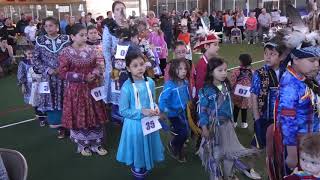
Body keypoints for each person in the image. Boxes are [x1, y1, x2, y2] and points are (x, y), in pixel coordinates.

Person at [198, 57, 256, 180]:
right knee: (216, 154)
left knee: (228, 152)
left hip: (227, 125)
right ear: (210, 72)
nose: (224, 73)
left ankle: (229, 174)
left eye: (225, 70)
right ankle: (217, 175)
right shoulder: (205, 91)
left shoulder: (226, 85)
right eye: (220, 70)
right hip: (214, 128)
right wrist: (204, 128)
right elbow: (202, 111)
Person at [58, 24, 108, 156]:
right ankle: (83, 144)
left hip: (93, 88)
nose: (85, 37)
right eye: (81, 35)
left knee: (95, 115)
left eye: (86, 35)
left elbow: (99, 65)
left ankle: (97, 143)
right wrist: (82, 77)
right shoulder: (66, 52)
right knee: (81, 116)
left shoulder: (93, 49)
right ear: (72, 37)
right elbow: (63, 73)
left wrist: (95, 73)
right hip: (76, 91)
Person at [116, 46, 164, 180]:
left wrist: (155, 107)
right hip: (135, 125)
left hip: (149, 123)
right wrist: (142, 112)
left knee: (147, 146)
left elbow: (152, 100)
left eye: (142, 64)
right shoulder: (126, 88)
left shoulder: (151, 82)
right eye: (135, 65)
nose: (140, 68)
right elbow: (123, 111)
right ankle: (138, 168)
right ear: (128, 68)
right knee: (138, 148)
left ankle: (144, 165)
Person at [32, 17, 70, 138]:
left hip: (65, 76)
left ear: (57, 27)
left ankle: (71, 125)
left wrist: (62, 68)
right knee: (53, 101)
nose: (48, 28)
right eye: (46, 26)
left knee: (68, 100)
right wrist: (48, 70)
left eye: (51, 25)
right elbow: (35, 59)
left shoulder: (66, 39)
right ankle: (60, 127)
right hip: (48, 79)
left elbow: (71, 54)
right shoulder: (40, 40)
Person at [250, 39, 287, 149]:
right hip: (264, 116)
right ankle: (254, 163)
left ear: (281, 57)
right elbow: (254, 95)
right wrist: (257, 118)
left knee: (278, 144)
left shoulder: (287, 73)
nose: (267, 57)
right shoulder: (259, 73)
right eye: (265, 53)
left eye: (272, 54)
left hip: (282, 116)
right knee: (258, 143)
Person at [159, 58, 191, 163]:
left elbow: (187, 94)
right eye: (180, 69)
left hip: (183, 112)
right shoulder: (170, 85)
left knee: (185, 132)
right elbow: (162, 98)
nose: (183, 71)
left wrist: (190, 102)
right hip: (173, 114)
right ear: (173, 70)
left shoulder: (185, 82)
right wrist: (162, 111)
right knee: (184, 132)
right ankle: (173, 144)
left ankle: (178, 145)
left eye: (185, 69)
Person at [17, 46, 47, 127]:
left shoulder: (38, 61)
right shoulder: (23, 63)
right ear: (25, 53)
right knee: (35, 101)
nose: (31, 55)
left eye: (32, 53)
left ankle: (46, 114)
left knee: (44, 99)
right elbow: (21, 74)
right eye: (29, 53)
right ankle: (41, 118)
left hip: (41, 83)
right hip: (31, 86)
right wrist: (23, 84)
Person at [230, 54, 253, 128]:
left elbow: (232, 82)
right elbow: (254, 83)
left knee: (236, 108)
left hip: (237, 94)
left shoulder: (236, 71)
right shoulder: (252, 72)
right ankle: (244, 123)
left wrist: (231, 89)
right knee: (244, 109)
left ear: (242, 62)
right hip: (246, 94)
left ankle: (234, 122)